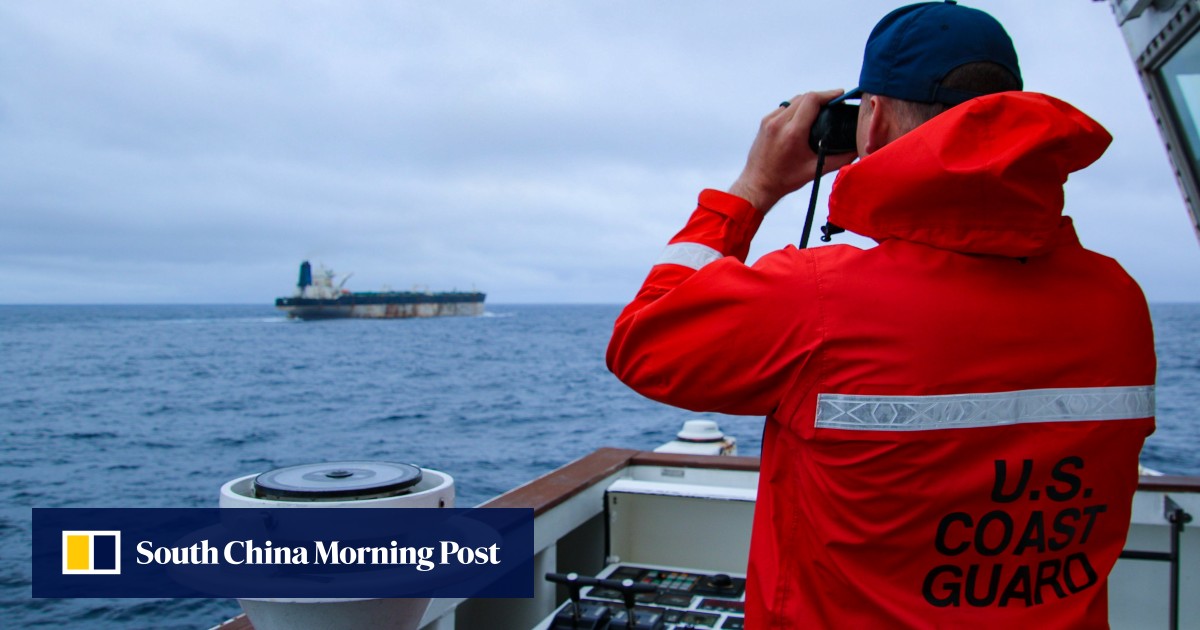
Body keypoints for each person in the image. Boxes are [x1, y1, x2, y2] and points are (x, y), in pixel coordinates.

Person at [606, 1, 1156, 627]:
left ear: (872, 119)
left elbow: (642, 340)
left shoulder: (817, 301)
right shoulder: (1118, 301)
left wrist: (752, 188)